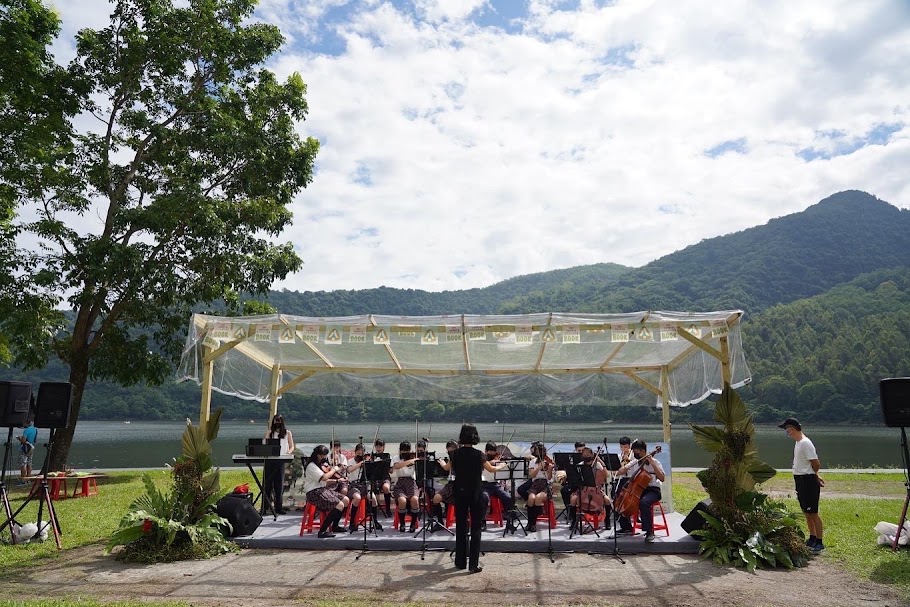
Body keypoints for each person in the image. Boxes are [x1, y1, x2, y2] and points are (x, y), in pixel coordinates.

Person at [451, 424, 504, 573]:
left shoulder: (455, 453)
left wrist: (443, 463)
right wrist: (502, 466)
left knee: (461, 527)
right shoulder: (479, 454)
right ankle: (473, 564)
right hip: (475, 492)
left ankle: (460, 562)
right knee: (476, 527)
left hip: (460, 491)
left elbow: (449, 468)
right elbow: (491, 469)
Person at [779, 417, 825, 552]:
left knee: (813, 512)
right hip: (800, 480)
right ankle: (812, 538)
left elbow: (815, 463)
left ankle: (819, 542)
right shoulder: (798, 443)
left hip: (808, 481)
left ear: (792, 429)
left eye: (787, 429)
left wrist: (814, 475)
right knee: (806, 512)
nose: (787, 432)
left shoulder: (805, 443)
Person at [615, 439, 664, 542]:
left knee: (644, 502)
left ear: (642, 451)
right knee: (622, 498)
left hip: (653, 490)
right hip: (639, 490)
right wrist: (619, 470)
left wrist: (652, 464)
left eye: (636, 452)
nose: (635, 455)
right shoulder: (635, 462)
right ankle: (626, 527)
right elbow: (623, 470)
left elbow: (662, 478)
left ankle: (650, 532)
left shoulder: (656, 462)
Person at [303, 445, 350, 538]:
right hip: (314, 492)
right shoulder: (312, 466)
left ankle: (335, 526)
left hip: (322, 489)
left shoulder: (319, 465)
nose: (325, 457)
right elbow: (324, 477)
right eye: (324, 455)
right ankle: (322, 531)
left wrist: (338, 480)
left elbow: (325, 481)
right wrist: (334, 469)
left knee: (346, 500)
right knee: (339, 505)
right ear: (318, 455)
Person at [345, 443, 382, 532]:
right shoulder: (350, 461)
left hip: (364, 484)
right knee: (357, 498)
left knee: (373, 499)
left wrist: (369, 464)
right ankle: (352, 522)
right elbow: (349, 470)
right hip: (353, 485)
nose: (360, 455)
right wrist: (360, 464)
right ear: (355, 452)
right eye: (358, 453)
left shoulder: (366, 461)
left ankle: (375, 521)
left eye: (362, 454)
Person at [481, 442, 516, 531]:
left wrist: (502, 463)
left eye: (494, 451)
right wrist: (492, 463)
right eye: (490, 451)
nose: (492, 453)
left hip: (495, 485)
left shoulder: (497, 459)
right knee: (484, 498)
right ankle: (482, 522)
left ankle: (508, 517)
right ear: (486, 451)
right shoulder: (482, 459)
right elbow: (487, 466)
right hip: (484, 485)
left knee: (508, 497)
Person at [263, 414, 294, 514]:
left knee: (279, 485)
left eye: (279, 420)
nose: (277, 422)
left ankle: (278, 507)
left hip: (281, 460)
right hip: (270, 460)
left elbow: (292, 446)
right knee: (267, 485)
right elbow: (265, 444)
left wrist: (288, 452)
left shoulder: (287, 433)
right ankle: (265, 507)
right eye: (275, 420)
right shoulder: (270, 432)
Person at [391, 441, 420, 532]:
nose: (405, 452)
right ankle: (402, 523)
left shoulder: (413, 457)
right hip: (400, 483)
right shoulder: (396, 458)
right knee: (402, 500)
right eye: (403, 450)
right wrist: (410, 461)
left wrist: (417, 460)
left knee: (415, 499)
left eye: (407, 450)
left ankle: (413, 524)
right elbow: (397, 466)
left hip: (411, 482)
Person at [525, 442, 554, 532]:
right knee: (531, 498)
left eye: (541, 451)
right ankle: (529, 522)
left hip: (546, 485)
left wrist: (550, 470)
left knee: (538, 498)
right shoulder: (532, 462)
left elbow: (549, 478)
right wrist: (538, 468)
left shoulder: (548, 461)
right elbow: (532, 476)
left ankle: (533, 524)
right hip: (535, 484)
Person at [613, 436, 634, 533]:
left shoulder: (633, 456)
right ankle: (623, 524)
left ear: (629, 446)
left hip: (631, 479)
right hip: (622, 479)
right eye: (622, 447)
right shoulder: (618, 456)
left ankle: (628, 524)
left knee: (624, 499)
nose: (624, 449)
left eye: (626, 447)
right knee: (616, 496)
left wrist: (628, 461)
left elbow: (634, 468)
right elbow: (616, 471)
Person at [19, 418, 38, 483]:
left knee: (23, 464)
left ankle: (23, 480)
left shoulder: (26, 430)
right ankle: (28, 478)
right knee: (29, 463)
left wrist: (20, 439)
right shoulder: (35, 430)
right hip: (31, 448)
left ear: (27, 423)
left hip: (25, 449)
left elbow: (23, 440)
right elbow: (35, 440)